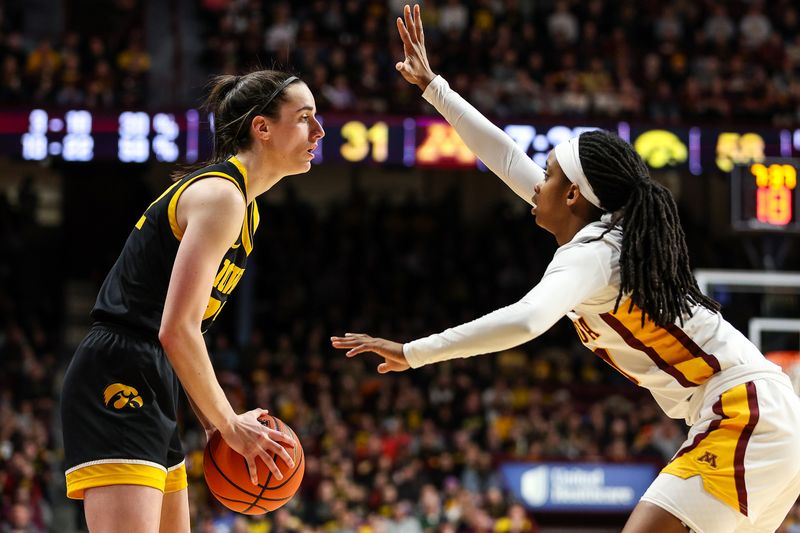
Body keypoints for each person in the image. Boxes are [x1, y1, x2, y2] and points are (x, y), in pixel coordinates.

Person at [331, 6, 800, 533]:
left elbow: (528, 320)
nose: (537, 184)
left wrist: (415, 351)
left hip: (744, 412)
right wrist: (434, 87)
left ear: (575, 195)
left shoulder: (594, 251)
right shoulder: (606, 240)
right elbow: (508, 158)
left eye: (549, 175)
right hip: (760, 413)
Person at [61, 69, 324, 532]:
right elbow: (175, 328)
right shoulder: (221, 196)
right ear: (261, 128)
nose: (319, 131)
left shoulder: (246, 208)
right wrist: (227, 423)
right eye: (304, 118)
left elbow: (186, 335)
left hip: (156, 376)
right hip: (120, 370)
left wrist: (211, 420)